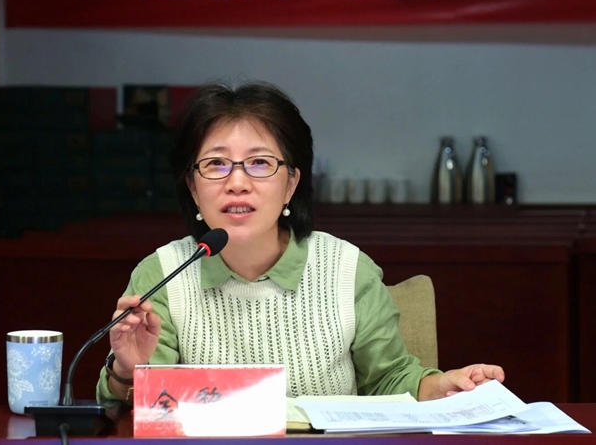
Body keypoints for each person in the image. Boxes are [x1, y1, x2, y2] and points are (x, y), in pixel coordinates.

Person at [96, 80, 505, 406]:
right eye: (216, 164)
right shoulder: (162, 275)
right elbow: (136, 407)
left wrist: (443, 387)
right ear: (192, 186)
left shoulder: (346, 269)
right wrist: (127, 373)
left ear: (291, 183)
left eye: (259, 163)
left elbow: (391, 380)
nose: (237, 182)